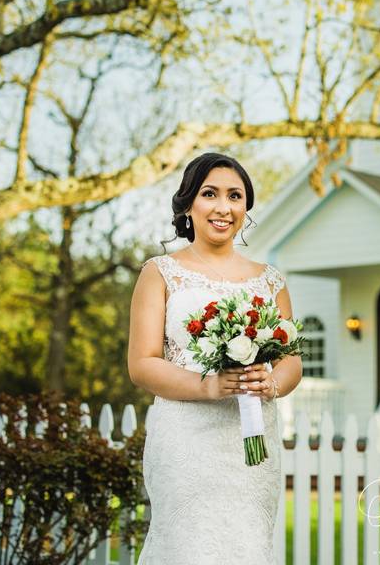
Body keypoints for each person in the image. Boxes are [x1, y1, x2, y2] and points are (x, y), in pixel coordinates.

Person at [128, 152, 302, 564]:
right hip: (186, 442)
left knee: (246, 546)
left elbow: (291, 361)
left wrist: (272, 382)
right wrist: (208, 385)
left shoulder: (270, 280)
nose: (223, 207)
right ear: (189, 204)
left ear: (246, 209)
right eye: (210, 194)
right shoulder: (161, 273)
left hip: (252, 443)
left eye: (235, 196)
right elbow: (143, 363)